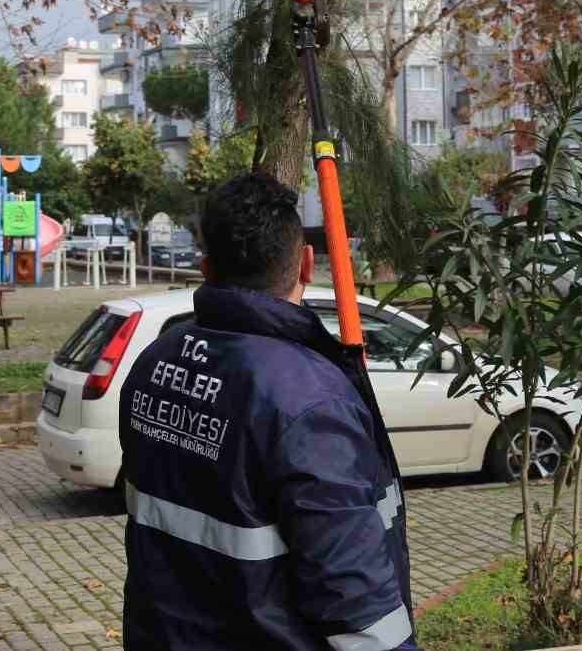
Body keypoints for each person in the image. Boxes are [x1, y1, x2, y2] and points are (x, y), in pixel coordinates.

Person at [119, 173, 418, 651]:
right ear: (304, 263)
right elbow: (356, 599)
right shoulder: (309, 402)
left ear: (204, 266)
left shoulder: (154, 363)